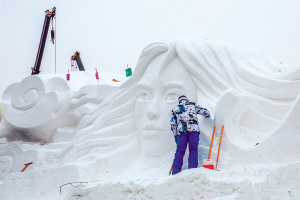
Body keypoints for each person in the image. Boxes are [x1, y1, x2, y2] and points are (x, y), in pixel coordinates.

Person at [170, 95, 210, 175]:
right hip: (193, 131)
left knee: (180, 152)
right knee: (193, 150)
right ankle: (192, 170)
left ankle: (176, 172)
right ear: (186, 100)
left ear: (179, 101)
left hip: (181, 132)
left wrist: (175, 136)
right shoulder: (192, 105)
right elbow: (204, 111)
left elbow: (173, 124)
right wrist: (207, 114)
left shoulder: (175, 109)